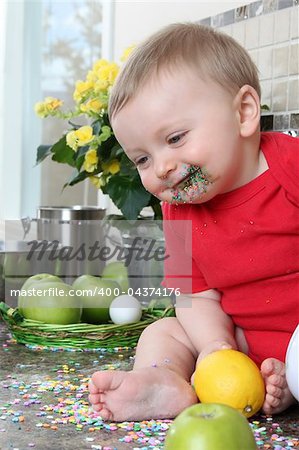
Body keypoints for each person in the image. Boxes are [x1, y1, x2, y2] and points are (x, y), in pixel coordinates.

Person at [88, 23, 298, 421]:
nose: (162, 168)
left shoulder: (290, 165)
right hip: (242, 341)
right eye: (143, 159)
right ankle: (165, 381)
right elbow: (194, 294)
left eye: (175, 138)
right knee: (163, 332)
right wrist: (216, 348)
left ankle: (289, 382)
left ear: (244, 113)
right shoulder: (179, 209)